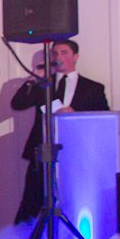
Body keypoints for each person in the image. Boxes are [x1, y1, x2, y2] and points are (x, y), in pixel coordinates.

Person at [10, 40, 109, 226]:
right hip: (43, 150)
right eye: (54, 53)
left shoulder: (93, 88)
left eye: (64, 52)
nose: (58, 57)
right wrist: (34, 79)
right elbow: (17, 104)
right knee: (33, 198)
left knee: (72, 197)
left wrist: (75, 117)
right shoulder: (43, 84)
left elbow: (101, 120)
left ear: (75, 57)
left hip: (76, 152)